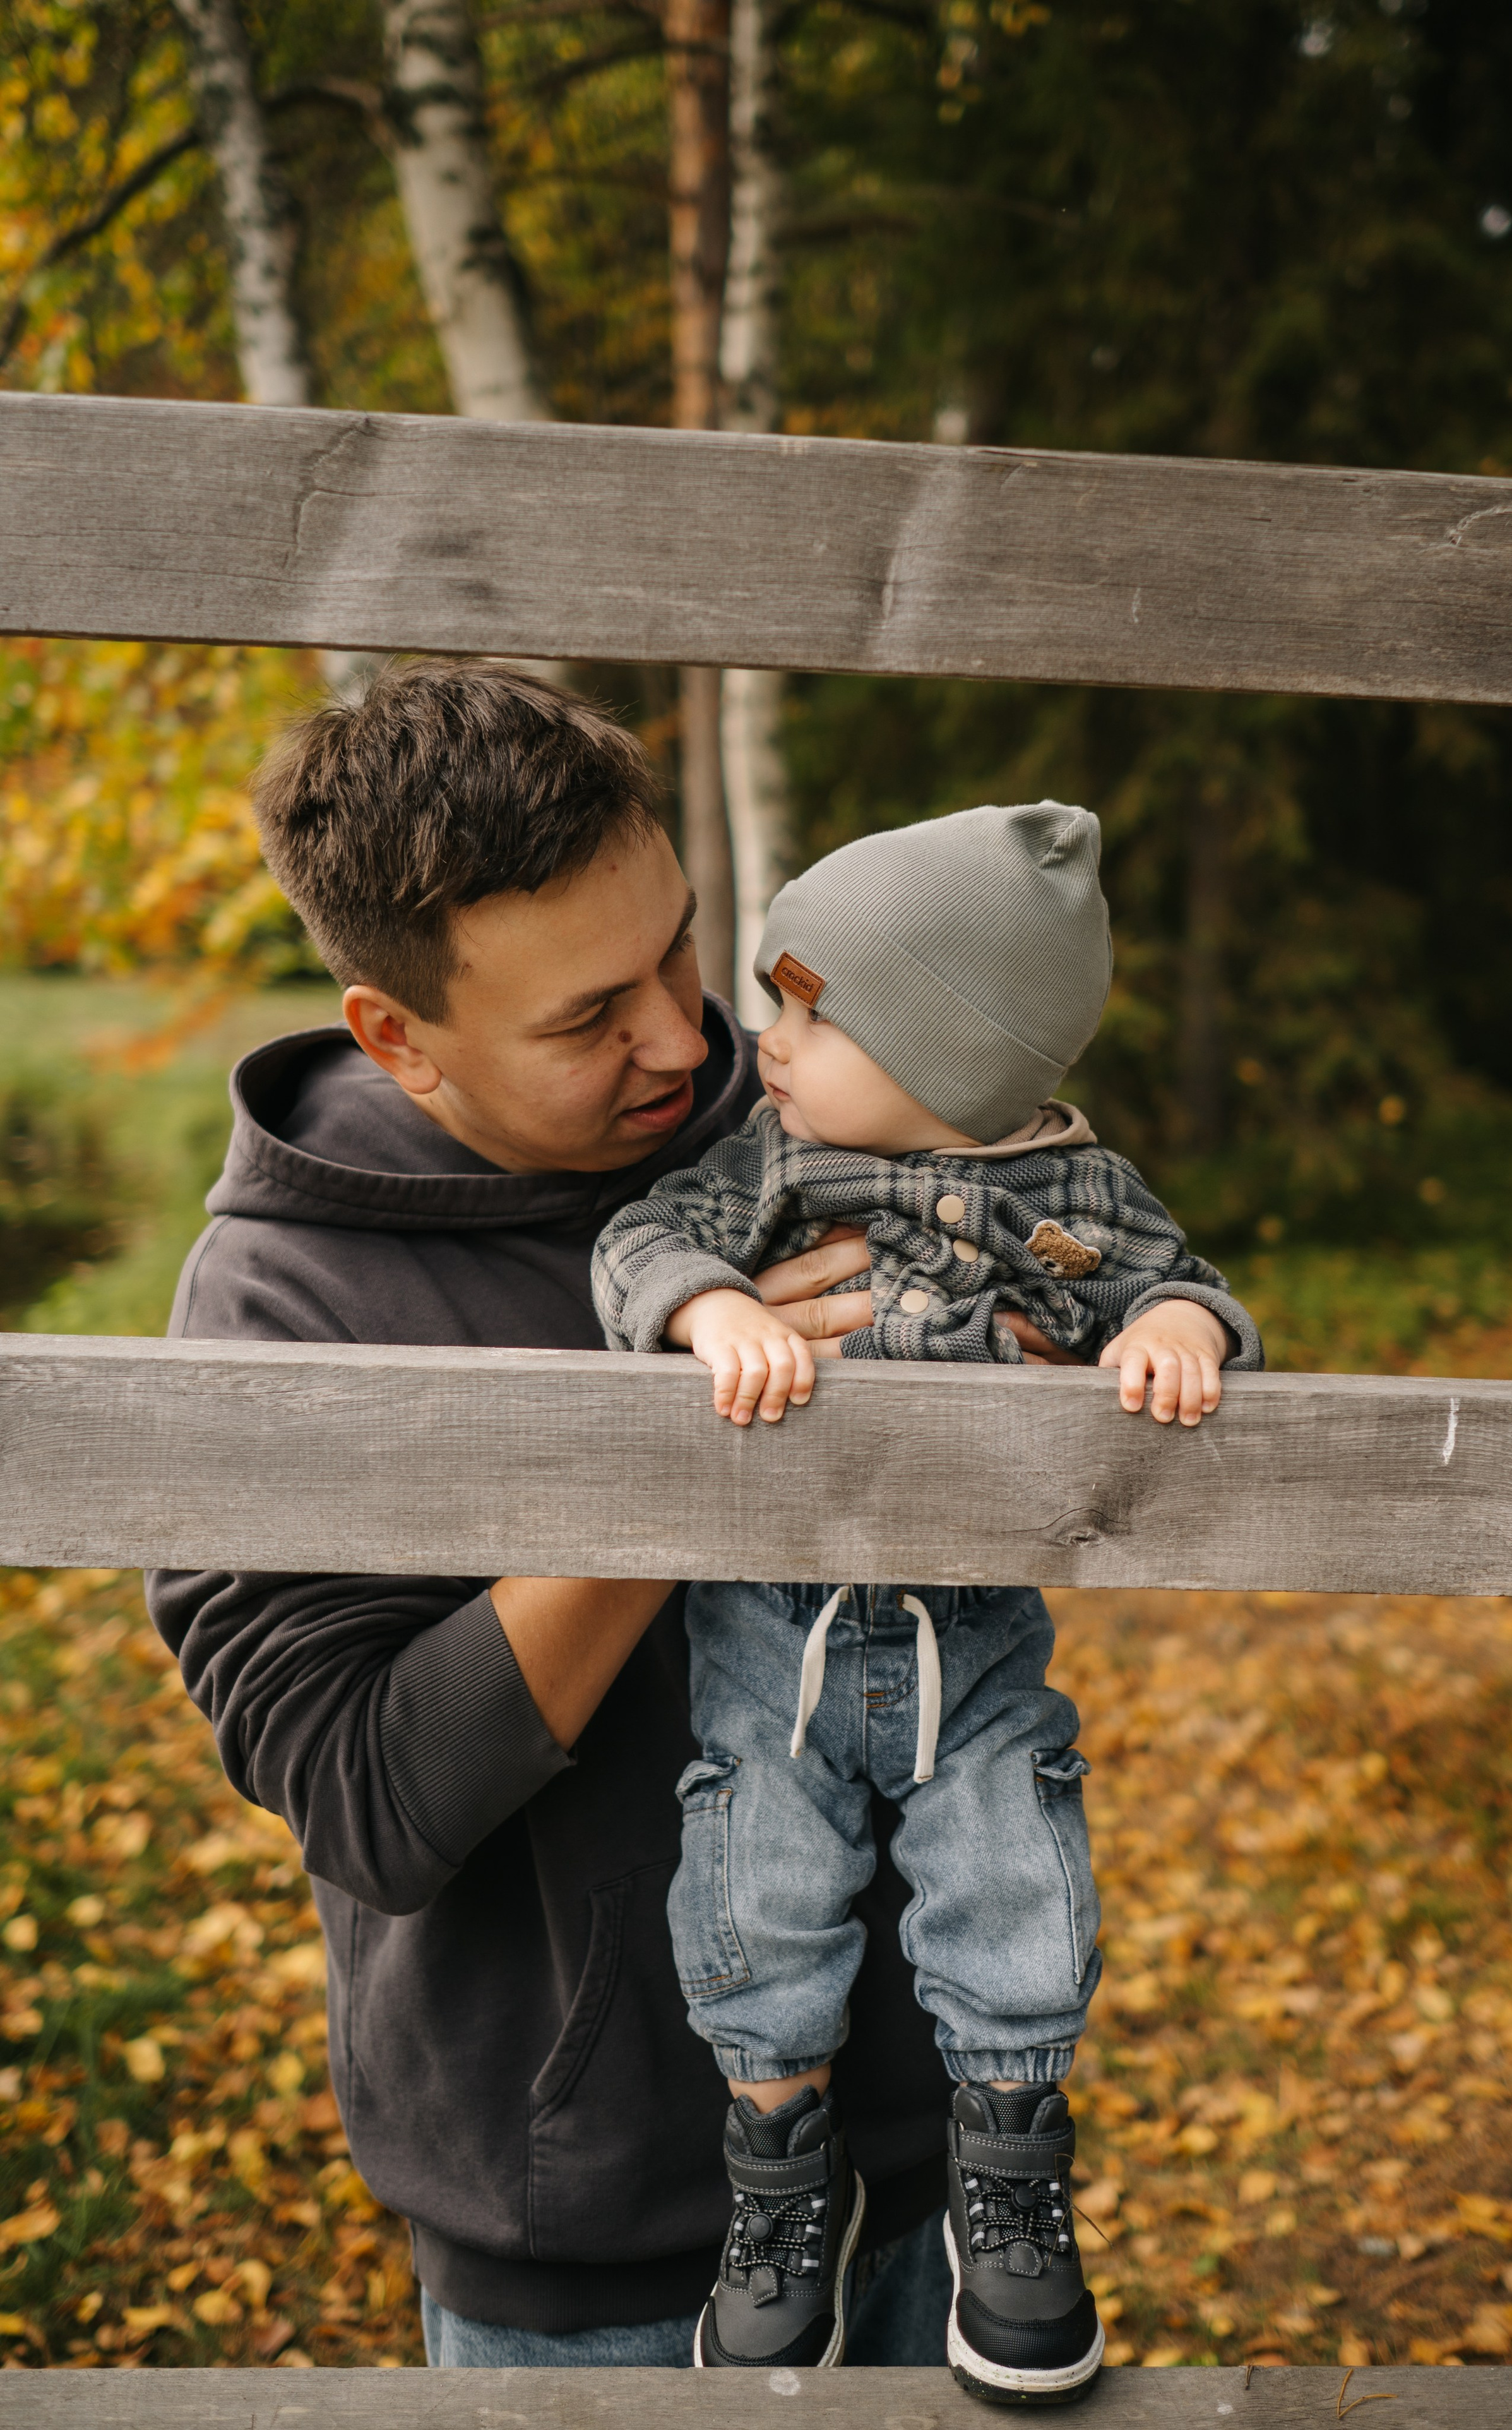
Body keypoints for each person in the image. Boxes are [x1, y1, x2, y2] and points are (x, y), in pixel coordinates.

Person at [145, 660, 1083, 2369]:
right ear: (397, 1036)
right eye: (587, 1017)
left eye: (678, 949)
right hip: (589, 2254)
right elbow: (370, 1798)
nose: (678, 1035)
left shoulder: (811, 1127)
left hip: (940, 2178)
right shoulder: (281, 1301)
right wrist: (685, 1453)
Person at [590, 801, 1263, 2397]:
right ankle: (779, 2190)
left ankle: (1009, 2180)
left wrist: (1175, 1331)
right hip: (776, 1640)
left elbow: (1191, 1287)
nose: (767, 1040)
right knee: (755, 1887)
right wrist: (705, 1316)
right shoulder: (770, 1165)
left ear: (956, 1059)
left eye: (811, 1015)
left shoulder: (1083, 1195)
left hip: (970, 1636)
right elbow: (639, 1240)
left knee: (1012, 1871)